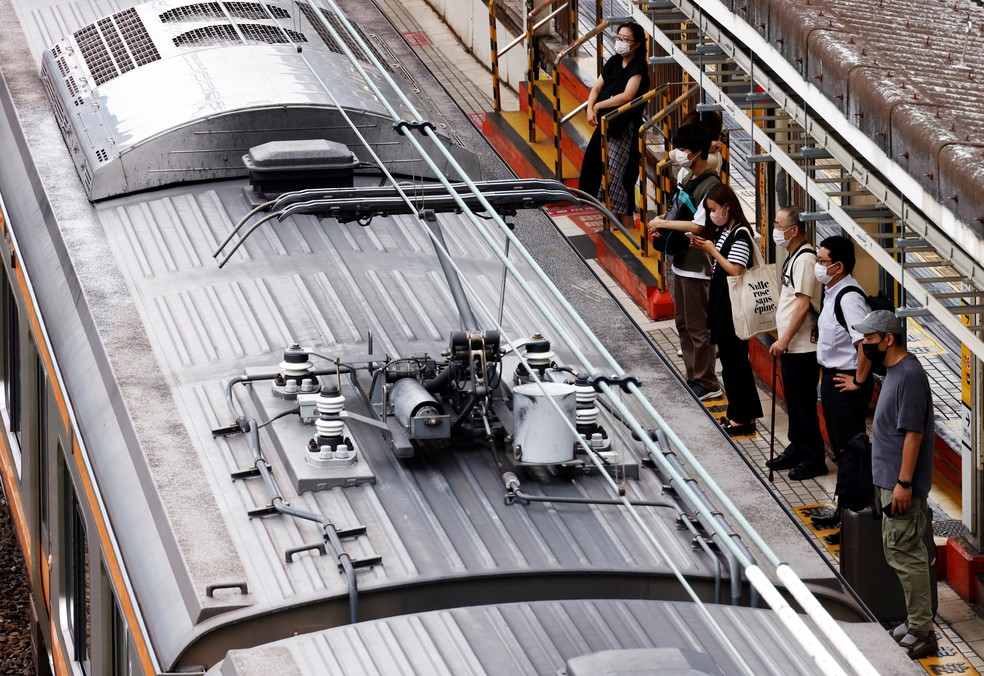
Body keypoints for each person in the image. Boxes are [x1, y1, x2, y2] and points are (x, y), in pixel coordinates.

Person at [855, 310, 937, 659]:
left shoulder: (909, 376)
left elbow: (913, 436)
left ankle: (923, 630)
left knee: (907, 553)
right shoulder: (893, 370)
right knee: (898, 550)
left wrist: (904, 482)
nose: (864, 344)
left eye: (870, 338)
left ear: (888, 339)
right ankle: (915, 619)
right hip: (888, 480)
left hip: (900, 484)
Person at [647, 124, 723, 401]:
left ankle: (707, 381)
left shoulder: (711, 187)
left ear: (697, 152)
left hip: (696, 265)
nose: (678, 154)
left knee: (697, 326)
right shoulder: (690, 176)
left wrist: (664, 222)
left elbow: (699, 226)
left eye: (683, 150)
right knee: (683, 322)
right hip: (681, 261)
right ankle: (693, 376)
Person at [690, 184, 763, 435]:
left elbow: (735, 269)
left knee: (736, 365)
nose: (711, 215)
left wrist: (711, 250)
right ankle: (738, 414)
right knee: (732, 365)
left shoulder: (740, 233)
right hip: (723, 305)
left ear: (727, 207)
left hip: (733, 309)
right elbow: (720, 266)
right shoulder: (726, 230)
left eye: (713, 209)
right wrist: (707, 250)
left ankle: (742, 418)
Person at [766, 207, 825, 479]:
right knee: (794, 402)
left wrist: (784, 339)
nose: (776, 229)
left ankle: (813, 457)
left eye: (779, 225)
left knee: (802, 403)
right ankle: (797, 446)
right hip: (792, 347)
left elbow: (802, 305)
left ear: (794, 229)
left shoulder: (804, 259)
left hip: (802, 348)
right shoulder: (793, 255)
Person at [578, 22, 650, 231]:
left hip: (623, 127)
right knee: (602, 170)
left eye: (625, 39)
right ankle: (615, 225)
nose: (620, 42)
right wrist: (591, 108)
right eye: (619, 37)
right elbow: (597, 87)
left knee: (619, 175)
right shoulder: (613, 62)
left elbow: (628, 95)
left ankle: (627, 226)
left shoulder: (639, 67)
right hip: (606, 125)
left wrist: (599, 105)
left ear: (636, 44)